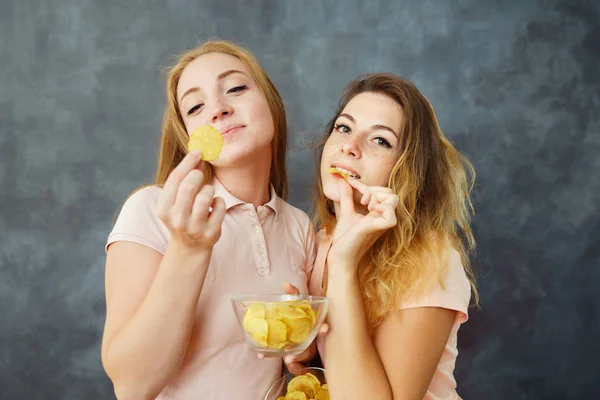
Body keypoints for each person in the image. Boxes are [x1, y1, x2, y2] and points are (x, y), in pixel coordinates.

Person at [100, 39, 316, 400]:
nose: (218, 110)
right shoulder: (150, 210)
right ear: (189, 138)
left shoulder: (299, 227)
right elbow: (132, 387)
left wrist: (302, 348)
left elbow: (292, 363)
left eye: (235, 88)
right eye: (196, 107)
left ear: (271, 104)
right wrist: (188, 248)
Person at [288, 73, 479, 400]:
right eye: (344, 128)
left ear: (406, 169)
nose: (348, 146)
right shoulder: (316, 241)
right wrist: (308, 356)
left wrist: (344, 263)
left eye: (380, 140)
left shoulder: (431, 261)